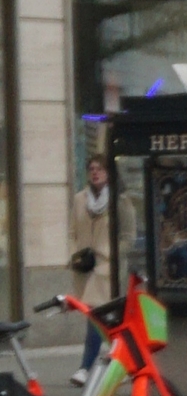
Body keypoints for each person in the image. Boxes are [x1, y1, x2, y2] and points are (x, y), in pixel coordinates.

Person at [68, 155, 114, 377]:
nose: (95, 172)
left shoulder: (118, 200)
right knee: (101, 318)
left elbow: (127, 234)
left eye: (100, 168)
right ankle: (123, 360)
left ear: (108, 173)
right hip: (85, 267)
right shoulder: (79, 199)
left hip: (107, 268)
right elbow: (72, 231)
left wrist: (115, 252)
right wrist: (74, 254)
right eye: (92, 169)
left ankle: (85, 367)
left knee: (96, 316)